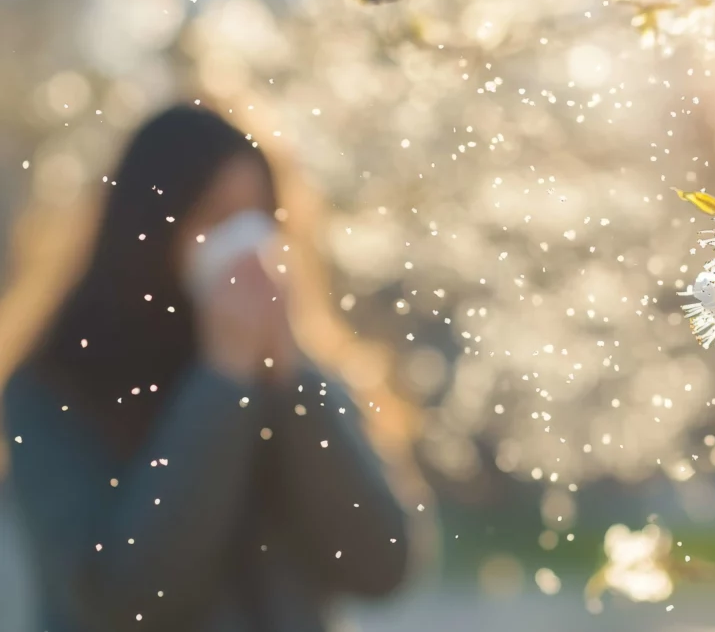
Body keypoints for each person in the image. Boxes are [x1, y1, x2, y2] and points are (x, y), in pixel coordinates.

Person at [2, 106, 410, 632]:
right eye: (216, 219)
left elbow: (383, 567)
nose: (247, 246)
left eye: (260, 217)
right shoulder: (53, 388)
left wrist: (290, 380)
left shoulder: (295, 379)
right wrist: (222, 382)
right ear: (147, 232)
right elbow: (124, 602)